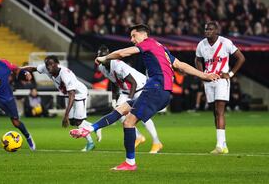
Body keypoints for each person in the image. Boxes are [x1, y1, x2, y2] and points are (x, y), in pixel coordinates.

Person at [70, 24, 220, 171]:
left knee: (129, 122)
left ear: (144, 34)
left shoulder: (148, 44)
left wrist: (104, 58)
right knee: (122, 108)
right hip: (162, 92)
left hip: (155, 88)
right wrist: (204, 75)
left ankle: (130, 163)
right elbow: (180, 65)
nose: (132, 39)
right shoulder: (161, 47)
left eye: (134, 36)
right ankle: (89, 129)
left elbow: (123, 53)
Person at [21, 55, 102, 152]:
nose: (49, 67)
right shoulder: (46, 68)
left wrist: (65, 115)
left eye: (51, 64)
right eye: (47, 65)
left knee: (78, 121)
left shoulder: (65, 74)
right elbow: (32, 68)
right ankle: (94, 127)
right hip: (68, 94)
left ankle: (90, 143)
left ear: (57, 64)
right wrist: (18, 70)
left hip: (79, 94)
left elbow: (72, 94)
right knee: (73, 122)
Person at [96, 45, 163, 153]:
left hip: (140, 87)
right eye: (100, 56)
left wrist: (129, 102)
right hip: (126, 90)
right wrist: (114, 99)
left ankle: (157, 142)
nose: (102, 58)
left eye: (104, 56)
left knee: (142, 115)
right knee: (118, 114)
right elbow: (113, 82)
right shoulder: (102, 67)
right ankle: (138, 137)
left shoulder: (118, 65)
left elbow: (133, 83)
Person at [195, 21, 245, 154]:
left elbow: (241, 58)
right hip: (209, 81)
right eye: (206, 29)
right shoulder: (201, 44)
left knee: (219, 111)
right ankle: (223, 144)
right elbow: (198, 59)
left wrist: (230, 74)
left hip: (222, 80)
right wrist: (202, 75)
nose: (208, 32)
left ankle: (219, 145)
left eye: (210, 29)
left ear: (217, 30)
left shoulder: (225, 42)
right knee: (214, 112)